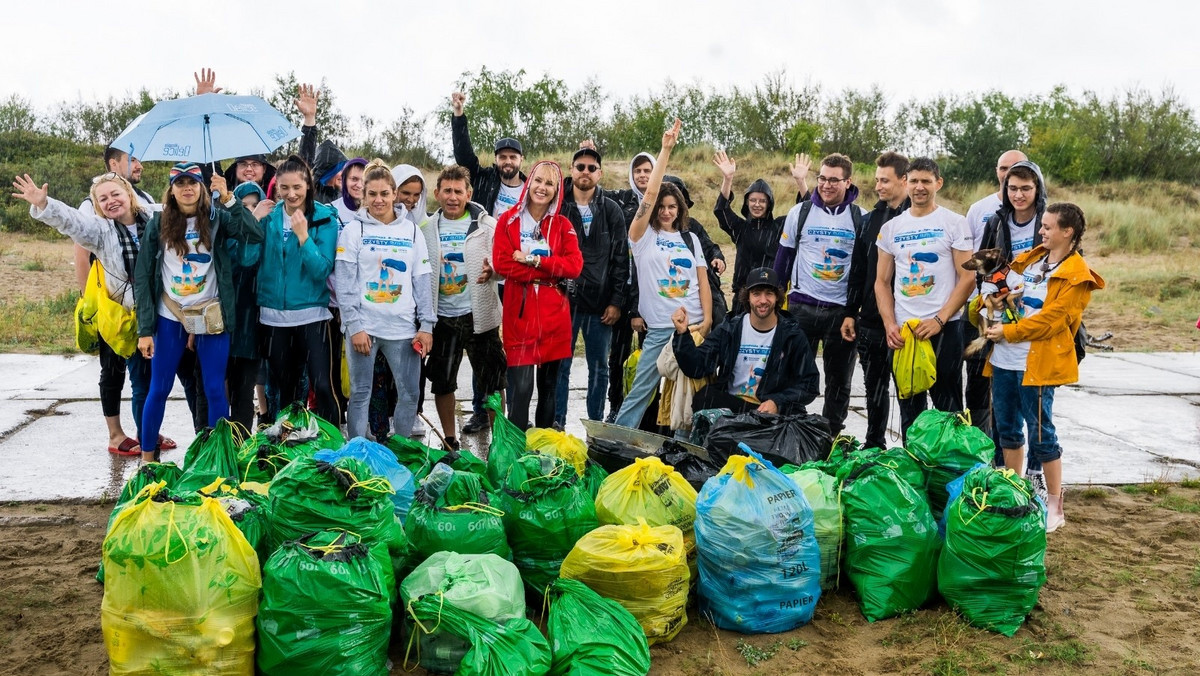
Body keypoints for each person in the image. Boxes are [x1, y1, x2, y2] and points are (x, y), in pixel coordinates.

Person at [15, 171, 160, 455]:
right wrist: (45, 205)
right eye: (102, 199)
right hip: (118, 314)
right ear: (96, 206)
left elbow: (189, 209)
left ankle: (149, 432)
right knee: (125, 376)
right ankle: (136, 441)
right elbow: (71, 221)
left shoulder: (155, 218)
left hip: (156, 313)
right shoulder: (100, 230)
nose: (111, 201)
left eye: (115, 194)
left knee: (152, 379)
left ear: (129, 194)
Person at [983, 202, 1104, 532]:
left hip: (1037, 365)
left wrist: (1009, 331)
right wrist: (992, 301)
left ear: (1068, 232)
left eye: (1048, 227)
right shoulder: (1032, 260)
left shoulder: (1077, 275)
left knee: (1040, 434)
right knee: (1006, 430)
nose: (1041, 231)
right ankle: (1014, 492)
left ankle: (1054, 504)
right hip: (1005, 360)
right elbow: (1006, 293)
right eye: (1042, 226)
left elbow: (1052, 321)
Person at [133, 163, 264, 462]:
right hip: (170, 314)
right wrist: (144, 329)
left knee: (215, 388)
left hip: (211, 315)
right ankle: (147, 460)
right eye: (179, 183)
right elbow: (143, 276)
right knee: (159, 387)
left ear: (202, 187)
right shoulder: (158, 222)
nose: (187, 188)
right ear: (171, 190)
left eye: (192, 182)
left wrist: (229, 198)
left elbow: (253, 234)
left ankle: (219, 457)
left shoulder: (217, 218)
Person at [613, 120, 713, 429]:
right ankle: (616, 439)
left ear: (679, 208)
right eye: (661, 206)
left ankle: (685, 449)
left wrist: (707, 320)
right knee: (641, 391)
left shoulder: (690, 238)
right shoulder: (641, 237)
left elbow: (703, 283)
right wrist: (665, 149)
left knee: (688, 395)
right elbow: (651, 192)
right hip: (658, 329)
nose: (666, 211)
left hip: (693, 327)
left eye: (672, 206)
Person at [875, 157, 975, 437]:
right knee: (910, 413)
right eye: (914, 181)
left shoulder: (954, 223)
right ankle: (915, 476)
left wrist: (940, 320)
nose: (920, 187)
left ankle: (953, 476)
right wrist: (889, 324)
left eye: (926, 181)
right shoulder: (891, 228)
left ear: (938, 184)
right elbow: (881, 282)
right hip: (906, 331)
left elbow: (967, 277)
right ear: (905, 183)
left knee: (949, 411)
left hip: (945, 328)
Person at [335, 160, 435, 440]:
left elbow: (422, 279)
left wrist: (426, 325)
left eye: (384, 194)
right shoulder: (353, 231)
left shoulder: (412, 231)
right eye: (372, 194)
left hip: (403, 329)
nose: (378, 200)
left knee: (410, 393)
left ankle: (401, 451)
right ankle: (356, 451)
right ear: (363, 196)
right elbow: (344, 282)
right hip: (364, 329)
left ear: (394, 194)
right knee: (360, 393)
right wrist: (354, 326)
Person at [772, 153, 863, 438]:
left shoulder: (860, 218)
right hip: (801, 307)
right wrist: (776, 301)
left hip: (841, 314)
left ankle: (831, 437)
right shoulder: (800, 213)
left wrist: (855, 309)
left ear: (848, 182)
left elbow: (863, 268)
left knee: (839, 382)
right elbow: (783, 260)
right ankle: (792, 431)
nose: (826, 185)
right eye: (822, 178)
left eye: (834, 180)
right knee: (795, 375)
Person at [245, 154, 341, 424]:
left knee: (323, 387)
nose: (291, 194)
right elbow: (247, 260)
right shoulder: (268, 217)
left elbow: (321, 270)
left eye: (297, 187)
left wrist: (303, 237)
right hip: (273, 318)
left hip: (312, 317)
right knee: (285, 392)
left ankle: (331, 447)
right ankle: (289, 449)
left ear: (308, 185)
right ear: (276, 189)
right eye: (284, 188)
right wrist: (253, 221)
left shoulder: (324, 219)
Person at [492, 161, 583, 430]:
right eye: (538, 181)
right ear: (529, 181)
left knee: (549, 390)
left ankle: (542, 451)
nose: (542, 188)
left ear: (557, 190)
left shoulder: (563, 225)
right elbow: (502, 263)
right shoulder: (508, 221)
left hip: (555, 319)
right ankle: (516, 453)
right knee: (520, 390)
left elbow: (575, 266)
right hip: (519, 317)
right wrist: (550, 271)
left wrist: (533, 261)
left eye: (549, 183)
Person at [421, 165, 507, 447]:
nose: (453, 197)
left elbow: (504, 267)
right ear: (437, 194)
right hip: (443, 317)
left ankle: (499, 442)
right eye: (447, 190)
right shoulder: (427, 230)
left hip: (479, 315)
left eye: (459, 191)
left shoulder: (488, 226)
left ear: (469, 193)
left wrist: (494, 270)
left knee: (493, 381)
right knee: (443, 382)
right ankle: (449, 439)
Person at [672, 267, 819, 415]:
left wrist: (777, 401)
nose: (763, 300)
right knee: (705, 397)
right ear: (747, 297)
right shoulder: (729, 329)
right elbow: (696, 367)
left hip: (769, 412)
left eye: (769, 294)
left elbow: (810, 385)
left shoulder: (792, 335)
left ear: (778, 297)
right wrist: (682, 334)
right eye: (756, 294)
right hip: (733, 407)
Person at [554, 146, 628, 427]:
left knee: (599, 368)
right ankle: (557, 424)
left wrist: (617, 301)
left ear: (600, 173)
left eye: (591, 168)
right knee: (561, 365)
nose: (585, 172)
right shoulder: (558, 206)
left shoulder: (611, 209)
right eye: (580, 167)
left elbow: (622, 258)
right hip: (564, 301)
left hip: (601, 304)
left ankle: (595, 425)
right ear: (571, 170)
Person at [841, 152, 911, 450]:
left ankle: (913, 450)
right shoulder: (870, 221)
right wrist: (849, 312)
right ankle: (874, 445)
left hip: (909, 320)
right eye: (877, 180)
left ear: (903, 180)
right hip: (870, 320)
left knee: (910, 391)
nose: (878, 186)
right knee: (875, 389)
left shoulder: (918, 220)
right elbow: (857, 270)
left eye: (885, 180)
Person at [963, 149, 1029, 433]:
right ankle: (980, 445)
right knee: (978, 379)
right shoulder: (980, 210)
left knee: (1020, 386)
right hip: (986, 305)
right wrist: (984, 297)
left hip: (1023, 310)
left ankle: (1018, 458)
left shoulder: (1040, 216)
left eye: (1015, 169)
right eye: (1003, 169)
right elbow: (970, 259)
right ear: (996, 171)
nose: (1008, 174)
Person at [712, 150, 786, 314]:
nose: (757, 204)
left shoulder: (780, 226)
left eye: (762, 201)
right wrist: (727, 179)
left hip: (770, 295)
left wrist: (801, 181)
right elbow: (721, 210)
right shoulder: (740, 228)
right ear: (746, 202)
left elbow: (804, 215)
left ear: (769, 203)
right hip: (743, 295)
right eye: (753, 200)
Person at [450, 91, 526, 217]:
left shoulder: (531, 189)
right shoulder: (483, 179)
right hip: (483, 236)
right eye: (502, 157)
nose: (508, 161)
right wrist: (458, 114)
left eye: (513, 157)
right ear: (496, 159)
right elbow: (463, 155)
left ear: (521, 159)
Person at [332, 158, 369, 225]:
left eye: (364, 180)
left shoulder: (376, 211)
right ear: (344, 180)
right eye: (354, 179)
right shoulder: (331, 210)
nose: (359, 185)